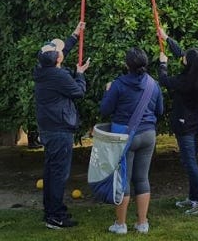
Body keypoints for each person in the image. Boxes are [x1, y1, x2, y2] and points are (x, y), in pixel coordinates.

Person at [100, 47, 164, 234]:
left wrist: (107, 91)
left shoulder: (118, 85)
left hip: (123, 136)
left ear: (127, 65)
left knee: (123, 180)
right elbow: (159, 110)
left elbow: (105, 109)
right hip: (148, 135)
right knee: (142, 178)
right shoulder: (153, 84)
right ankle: (142, 223)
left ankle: (120, 224)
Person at [33, 22, 89, 230]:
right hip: (59, 129)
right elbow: (78, 92)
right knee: (58, 174)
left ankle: (51, 212)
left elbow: (59, 52)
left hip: (49, 128)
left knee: (50, 172)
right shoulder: (58, 75)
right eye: (58, 51)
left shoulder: (41, 69)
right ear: (57, 59)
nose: (60, 51)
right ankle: (55, 216)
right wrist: (80, 73)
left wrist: (74, 35)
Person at [157, 27, 198, 215]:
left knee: (189, 162)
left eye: (186, 57)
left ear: (190, 63)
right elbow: (182, 54)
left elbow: (164, 80)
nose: (183, 57)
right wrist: (167, 38)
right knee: (191, 159)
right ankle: (194, 197)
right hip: (196, 123)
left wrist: (163, 64)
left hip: (185, 125)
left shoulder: (185, 82)